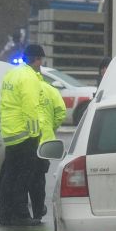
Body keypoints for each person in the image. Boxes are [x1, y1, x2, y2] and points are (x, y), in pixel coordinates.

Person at [0, 45, 43, 226]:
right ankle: (21, 214)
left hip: (10, 132)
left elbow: (3, 102)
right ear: (37, 59)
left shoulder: (11, 74)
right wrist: (34, 133)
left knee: (9, 176)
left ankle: (4, 214)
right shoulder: (29, 77)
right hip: (24, 135)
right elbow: (30, 106)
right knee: (23, 177)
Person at [27, 44, 67, 221]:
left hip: (27, 139)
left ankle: (24, 210)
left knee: (25, 177)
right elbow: (61, 113)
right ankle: (38, 210)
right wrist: (52, 128)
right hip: (45, 144)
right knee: (38, 180)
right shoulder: (50, 91)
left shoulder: (26, 88)